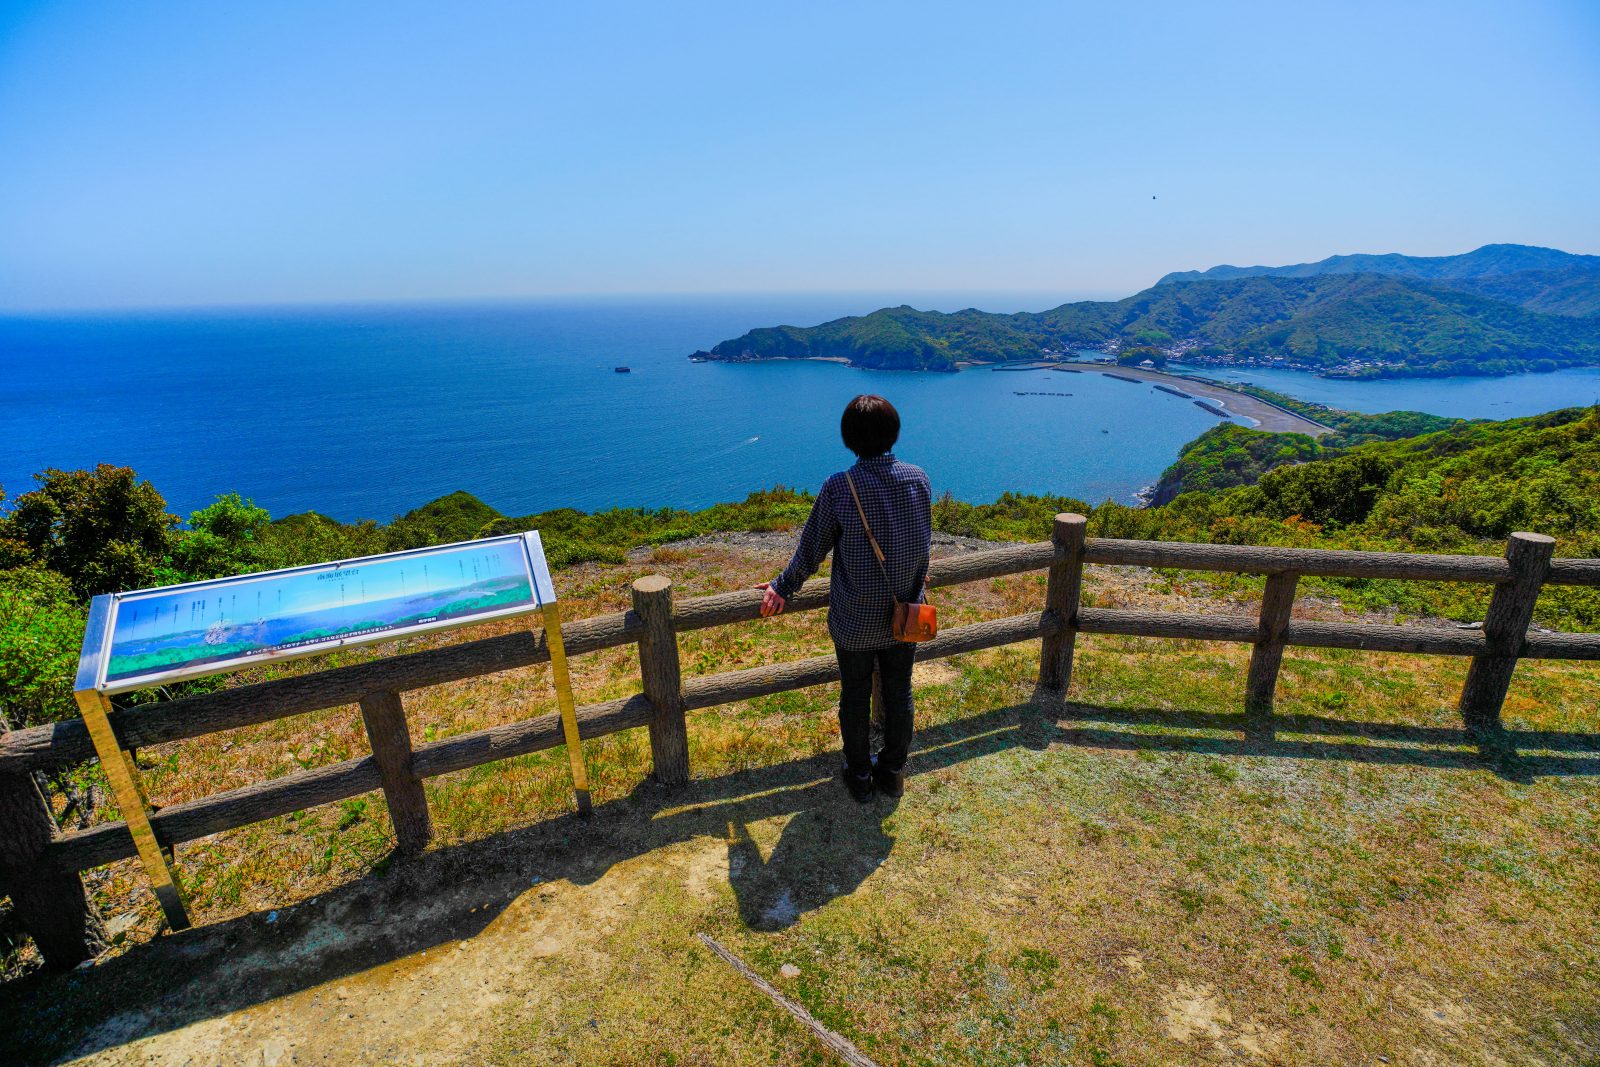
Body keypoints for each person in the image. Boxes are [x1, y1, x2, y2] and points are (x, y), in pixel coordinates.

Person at [760, 394, 932, 802]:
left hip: (855, 620)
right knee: (899, 691)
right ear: (894, 433)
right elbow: (922, 547)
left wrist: (781, 587)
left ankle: (859, 775)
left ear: (848, 438)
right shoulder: (919, 479)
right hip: (905, 613)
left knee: (855, 693)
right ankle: (891, 771)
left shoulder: (840, 487)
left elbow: (811, 551)